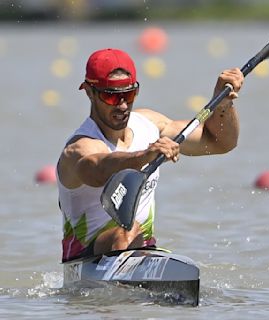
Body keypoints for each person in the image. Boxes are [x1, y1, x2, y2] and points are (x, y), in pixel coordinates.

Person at [57, 48, 244, 262]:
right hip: (86, 260)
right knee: (127, 231)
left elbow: (220, 143)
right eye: (110, 96)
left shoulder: (150, 124)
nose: (123, 105)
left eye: (128, 94)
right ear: (89, 92)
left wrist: (223, 104)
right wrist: (145, 155)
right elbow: (97, 169)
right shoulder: (79, 148)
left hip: (140, 250)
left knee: (132, 234)